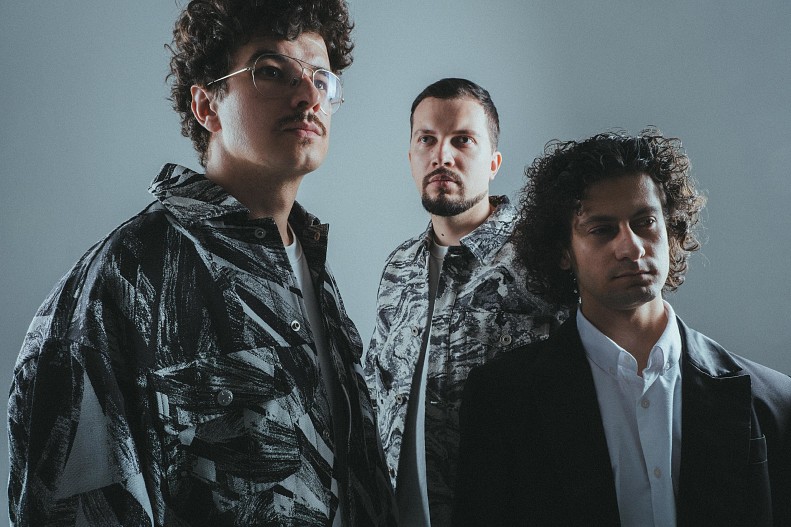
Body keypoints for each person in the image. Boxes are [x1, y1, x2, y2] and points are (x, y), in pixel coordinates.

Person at [7, 1, 395, 525]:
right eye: (271, 71)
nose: (308, 96)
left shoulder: (315, 274)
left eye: (321, 79)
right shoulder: (124, 277)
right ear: (207, 105)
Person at [452, 129, 791, 526]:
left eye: (645, 222)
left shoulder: (773, 399)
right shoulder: (501, 400)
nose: (631, 247)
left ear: (671, 230)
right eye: (602, 229)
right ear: (563, 252)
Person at [364, 78, 565, 526]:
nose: (442, 156)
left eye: (463, 140)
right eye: (427, 140)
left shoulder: (543, 259)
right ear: (411, 158)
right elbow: (377, 387)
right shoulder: (398, 267)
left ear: (493, 163)